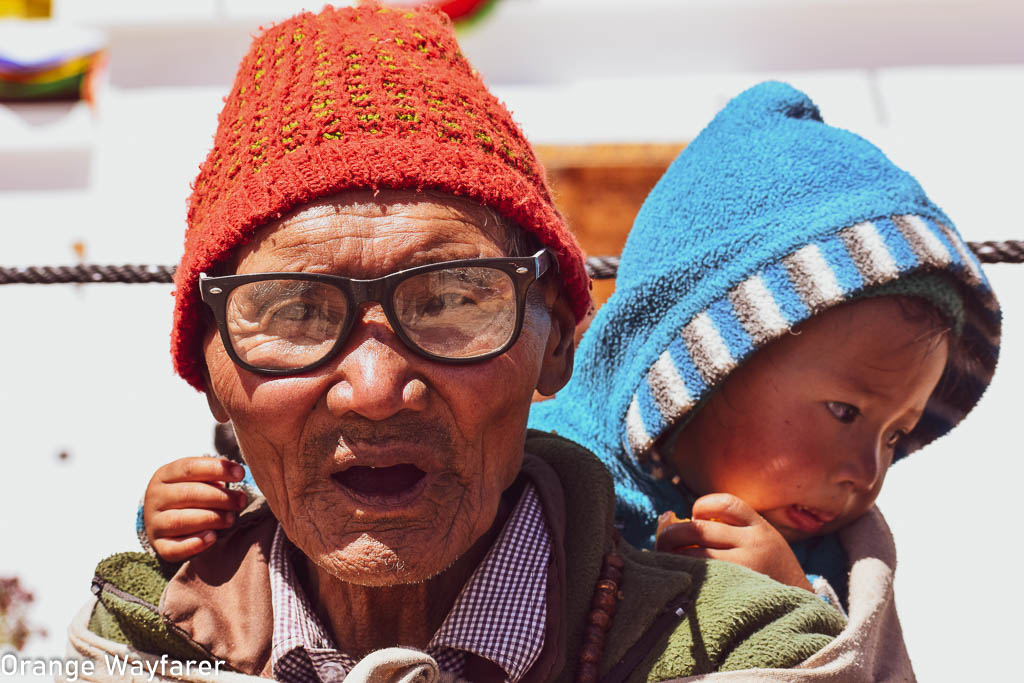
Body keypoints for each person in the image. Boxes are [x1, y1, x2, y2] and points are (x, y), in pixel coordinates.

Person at [68, 8, 843, 683]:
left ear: (557, 343)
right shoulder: (138, 637)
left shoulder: (742, 647)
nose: (372, 388)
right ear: (207, 368)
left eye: (450, 301)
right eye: (296, 311)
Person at [529, 81, 1002, 680]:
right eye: (845, 411)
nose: (868, 471)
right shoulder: (537, 482)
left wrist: (794, 605)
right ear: (703, 365)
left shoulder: (841, 563)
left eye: (895, 434)